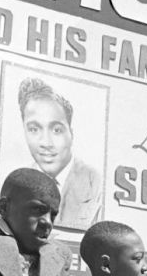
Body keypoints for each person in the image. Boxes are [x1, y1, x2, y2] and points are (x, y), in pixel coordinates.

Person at [18, 76, 102, 231]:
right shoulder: (17, 186)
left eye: (56, 130)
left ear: (71, 134)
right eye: (34, 129)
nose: (46, 143)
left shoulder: (95, 183)